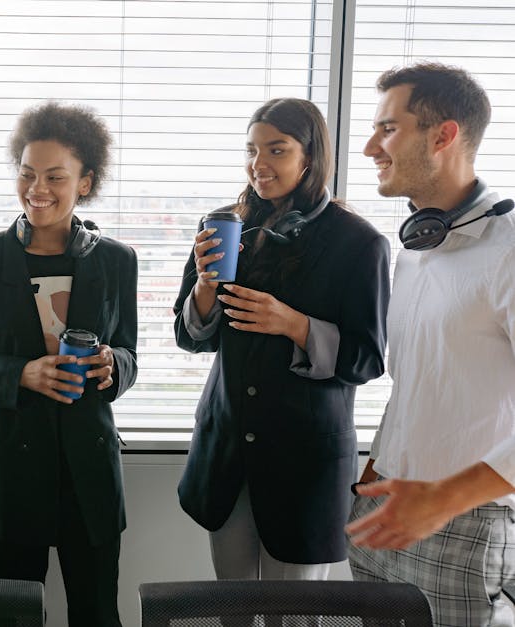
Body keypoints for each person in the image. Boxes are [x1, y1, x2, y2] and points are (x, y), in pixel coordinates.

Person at [173, 98, 390, 584]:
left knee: (295, 614)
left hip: (304, 464)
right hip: (227, 452)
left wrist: (295, 325)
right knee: (232, 605)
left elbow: (368, 359)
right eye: (251, 150)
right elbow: (190, 338)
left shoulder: (360, 243)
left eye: (276, 149)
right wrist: (205, 287)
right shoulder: (224, 224)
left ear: (309, 156)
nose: (259, 164)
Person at [0, 101, 137, 627]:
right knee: (13, 616)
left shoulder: (117, 260)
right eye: (27, 174)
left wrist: (111, 364)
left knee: (97, 614)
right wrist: (22, 373)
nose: (37, 189)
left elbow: (129, 353)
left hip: (88, 471)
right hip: (7, 467)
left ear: (85, 183)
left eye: (55, 176)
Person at [346, 62, 515, 626]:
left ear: (443, 135)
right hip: (388, 502)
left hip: (461, 519)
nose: (370, 146)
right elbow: (420, 381)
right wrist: (377, 463)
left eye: (388, 129)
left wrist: (441, 498)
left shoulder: (509, 250)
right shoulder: (419, 246)